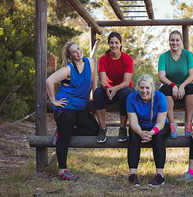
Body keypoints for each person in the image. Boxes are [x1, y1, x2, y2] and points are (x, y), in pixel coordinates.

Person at [46, 41, 100, 180]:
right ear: (70, 56)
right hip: (65, 106)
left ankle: (62, 132)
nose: (78, 52)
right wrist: (53, 101)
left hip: (80, 107)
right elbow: (49, 81)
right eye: (74, 52)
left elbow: (90, 81)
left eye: (78, 49)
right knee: (65, 138)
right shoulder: (68, 69)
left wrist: (88, 97)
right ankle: (62, 171)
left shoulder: (91, 62)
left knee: (94, 129)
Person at [126, 74, 170, 187]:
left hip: (158, 127)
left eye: (147, 88)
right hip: (140, 126)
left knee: (158, 136)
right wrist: (141, 133)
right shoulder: (131, 98)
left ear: (152, 88)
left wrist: (151, 133)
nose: (144, 91)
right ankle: (132, 175)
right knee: (133, 133)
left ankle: (160, 176)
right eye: (141, 88)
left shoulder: (160, 97)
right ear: (138, 88)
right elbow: (133, 123)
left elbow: (160, 122)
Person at [93, 32, 135, 143]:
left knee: (125, 92)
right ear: (108, 44)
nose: (114, 45)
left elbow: (126, 82)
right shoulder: (103, 59)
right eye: (111, 43)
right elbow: (102, 81)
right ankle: (102, 128)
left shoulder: (128, 59)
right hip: (109, 90)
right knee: (97, 92)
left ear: (121, 44)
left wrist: (115, 88)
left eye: (116, 42)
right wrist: (107, 88)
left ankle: (122, 128)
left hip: (124, 90)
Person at [158, 30, 193, 139]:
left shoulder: (188, 55)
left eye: (177, 40)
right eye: (172, 40)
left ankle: (188, 123)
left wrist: (182, 86)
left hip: (185, 86)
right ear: (169, 41)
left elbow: (192, 75)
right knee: (165, 89)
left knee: (192, 88)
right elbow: (161, 77)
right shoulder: (164, 57)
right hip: (169, 87)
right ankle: (172, 124)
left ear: (181, 41)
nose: (174, 43)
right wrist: (174, 85)